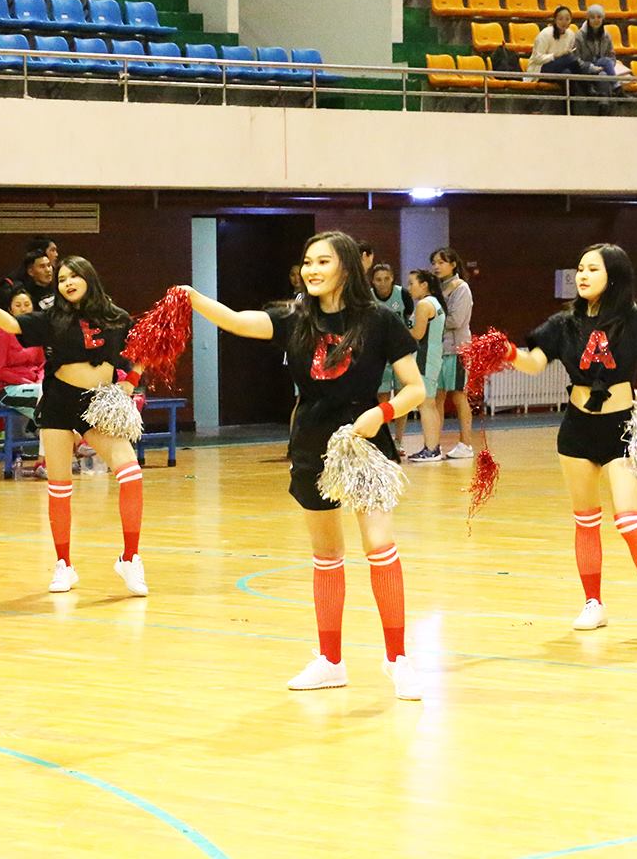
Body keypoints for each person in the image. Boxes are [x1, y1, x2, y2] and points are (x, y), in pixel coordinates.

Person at [180, 231, 426, 699]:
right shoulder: (294, 318)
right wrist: (194, 298)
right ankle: (330, 661)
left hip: (364, 442)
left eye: (323, 262)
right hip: (313, 441)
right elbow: (237, 321)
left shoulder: (379, 320)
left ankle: (398, 659)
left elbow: (416, 388)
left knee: (380, 544)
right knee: (327, 554)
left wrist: (381, 413)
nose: (312, 270)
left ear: (346, 266)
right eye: (308, 261)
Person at [508, 243, 637, 638]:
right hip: (577, 429)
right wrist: (507, 352)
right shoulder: (563, 323)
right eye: (580, 269)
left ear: (613, 276)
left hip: (622, 429)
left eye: (592, 269)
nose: (582, 276)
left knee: (629, 520)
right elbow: (533, 363)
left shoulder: (636, 320)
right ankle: (593, 603)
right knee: (585, 521)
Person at [0, 256, 149, 597]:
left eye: (73, 276)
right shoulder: (52, 318)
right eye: (62, 278)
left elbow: (146, 348)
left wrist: (131, 380)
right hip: (58, 402)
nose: (67, 282)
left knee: (131, 474)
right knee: (59, 486)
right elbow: (11, 324)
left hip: (98, 405)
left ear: (88, 277)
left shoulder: (116, 316)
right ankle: (64, 565)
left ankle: (130, 558)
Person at [0, 286, 46, 472]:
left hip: (35, 388)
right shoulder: (3, 332)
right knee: (49, 401)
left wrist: (40, 380)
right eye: (18, 305)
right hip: (8, 390)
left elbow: (42, 364)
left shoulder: (36, 332)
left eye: (27, 304)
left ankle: (44, 462)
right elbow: (0, 371)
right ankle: (74, 446)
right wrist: (29, 382)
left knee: (51, 408)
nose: (23, 308)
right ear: (10, 309)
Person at [429, 246, 475, 460]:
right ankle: (433, 445)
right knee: (436, 397)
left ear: (453, 264)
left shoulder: (461, 288)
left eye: (441, 262)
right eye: (434, 263)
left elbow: (456, 320)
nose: (436, 266)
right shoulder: (437, 288)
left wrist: (430, 320)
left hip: (457, 350)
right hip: (438, 351)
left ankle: (466, 444)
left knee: (458, 396)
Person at [403, 269, 448, 463]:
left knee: (426, 404)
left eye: (412, 283)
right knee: (430, 404)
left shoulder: (424, 304)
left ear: (424, 285)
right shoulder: (435, 303)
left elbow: (418, 334)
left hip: (425, 358)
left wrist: (399, 327)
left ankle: (431, 449)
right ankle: (433, 446)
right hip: (433, 357)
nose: (409, 287)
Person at [370, 263, 414, 452]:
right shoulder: (368, 298)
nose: (382, 283)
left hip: (400, 353)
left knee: (402, 395)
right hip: (379, 354)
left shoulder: (403, 295)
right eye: (378, 279)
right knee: (382, 397)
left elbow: (410, 320)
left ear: (392, 278)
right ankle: (384, 440)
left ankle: (399, 440)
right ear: (373, 281)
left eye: (386, 278)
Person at [528, 6, 604, 81]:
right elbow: (537, 58)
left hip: (561, 67)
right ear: (555, 20)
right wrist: (555, 55)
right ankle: (587, 68)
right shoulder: (545, 34)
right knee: (569, 57)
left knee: (567, 73)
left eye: (567, 19)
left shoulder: (571, 34)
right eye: (560, 19)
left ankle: (586, 86)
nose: (564, 22)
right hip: (541, 69)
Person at [575, 4, 621, 97]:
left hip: (603, 67)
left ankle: (604, 103)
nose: (596, 20)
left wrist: (604, 67)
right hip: (585, 68)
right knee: (604, 64)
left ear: (603, 19)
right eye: (592, 17)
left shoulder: (607, 36)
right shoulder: (579, 36)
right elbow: (576, 59)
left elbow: (612, 56)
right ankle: (617, 88)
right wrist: (591, 67)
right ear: (588, 19)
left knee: (603, 72)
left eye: (599, 17)